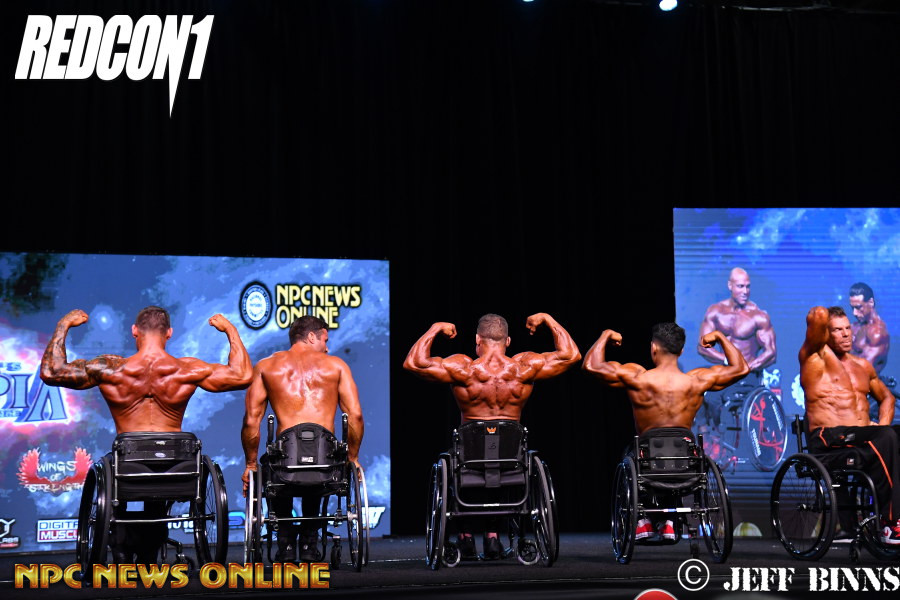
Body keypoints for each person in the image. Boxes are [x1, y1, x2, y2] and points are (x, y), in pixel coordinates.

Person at [40, 306, 253, 563]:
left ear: (134, 331)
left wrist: (63, 324)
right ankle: (149, 547)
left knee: (119, 472)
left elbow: (51, 372)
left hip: (128, 464)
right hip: (176, 466)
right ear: (169, 333)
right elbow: (243, 375)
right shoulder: (186, 369)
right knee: (158, 479)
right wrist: (230, 330)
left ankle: (122, 542)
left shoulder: (111, 368)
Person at [403, 313, 580, 559]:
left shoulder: (464, 368)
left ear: (478, 339)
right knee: (501, 463)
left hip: (469, 455)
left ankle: (465, 536)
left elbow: (414, 363)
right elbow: (571, 355)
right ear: (508, 341)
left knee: (456, 462)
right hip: (511, 457)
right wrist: (548, 319)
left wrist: (435, 328)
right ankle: (493, 536)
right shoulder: (523, 367)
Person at [583, 323, 748, 540]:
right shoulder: (697, 380)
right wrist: (720, 337)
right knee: (674, 452)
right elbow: (740, 368)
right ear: (681, 351)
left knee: (633, 454)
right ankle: (670, 521)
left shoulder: (638, 378)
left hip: (647, 458)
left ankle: (643, 520)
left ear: (653, 348)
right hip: (686, 460)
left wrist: (605, 334)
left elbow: (591, 365)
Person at [241, 315, 363, 562]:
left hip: (285, 462)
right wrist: (353, 458)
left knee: (275, 467)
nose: (327, 347)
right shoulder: (336, 366)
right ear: (311, 336)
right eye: (325, 340)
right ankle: (309, 542)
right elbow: (356, 416)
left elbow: (251, 422)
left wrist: (251, 465)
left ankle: (285, 543)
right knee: (321, 461)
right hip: (325, 464)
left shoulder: (266, 367)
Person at [799, 306, 900, 544]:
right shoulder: (814, 359)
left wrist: (882, 426)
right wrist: (882, 434)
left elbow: (887, 398)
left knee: (891, 434)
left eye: (847, 328)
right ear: (825, 334)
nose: (846, 334)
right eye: (837, 330)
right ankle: (890, 523)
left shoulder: (863, 366)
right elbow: (818, 315)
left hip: (861, 439)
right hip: (828, 438)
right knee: (885, 436)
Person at [697, 267, 776, 429]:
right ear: (730, 286)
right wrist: (728, 361)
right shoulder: (716, 312)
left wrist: (746, 367)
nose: (745, 291)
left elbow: (771, 352)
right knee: (703, 394)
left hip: (749, 374)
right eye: (740, 286)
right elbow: (703, 347)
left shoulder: (758, 316)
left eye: (748, 286)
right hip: (725, 372)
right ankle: (712, 437)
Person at [849, 282, 890, 374]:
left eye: (858, 307)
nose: (854, 313)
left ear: (871, 302)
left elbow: (864, 371)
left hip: (864, 381)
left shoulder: (877, 333)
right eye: (852, 308)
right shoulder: (854, 326)